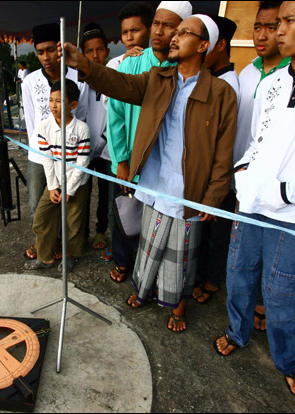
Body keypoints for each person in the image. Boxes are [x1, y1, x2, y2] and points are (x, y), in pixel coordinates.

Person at [62, 14, 237, 332]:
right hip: (154, 182)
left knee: (180, 254)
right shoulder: (159, 78)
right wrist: (85, 66)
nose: (174, 37)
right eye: (175, 31)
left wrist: (214, 195)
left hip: (188, 190)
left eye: (184, 32)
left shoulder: (221, 92)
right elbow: (121, 85)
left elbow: (224, 151)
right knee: (150, 245)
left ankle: (178, 305)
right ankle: (143, 291)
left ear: (203, 45)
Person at [214, 1, 295, 399]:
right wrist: (243, 176)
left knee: (282, 291)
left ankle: (287, 360)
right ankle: (237, 331)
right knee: (239, 272)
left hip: (293, 210)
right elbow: (257, 140)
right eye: (276, 22)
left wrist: (287, 192)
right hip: (250, 203)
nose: (278, 30)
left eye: (288, 21)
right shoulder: (272, 83)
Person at [106, 1, 191, 283]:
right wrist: (121, 159)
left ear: (181, 32)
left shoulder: (185, 69)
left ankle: (150, 277)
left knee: (159, 223)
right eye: (156, 23)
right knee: (125, 214)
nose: (159, 31)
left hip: (166, 166)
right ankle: (122, 262)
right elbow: (115, 114)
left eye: (168, 26)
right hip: (130, 161)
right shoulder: (131, 63)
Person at [230, 1, 291, 330]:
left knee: (273, 253)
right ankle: (242, 307)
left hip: (275, 186)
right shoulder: (248, 72)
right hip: (241, 175)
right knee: (242, 249)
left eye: (272, 26)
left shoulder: (293, 74)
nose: (263, 35)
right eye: (258, 27)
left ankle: (264, 303)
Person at [21, 22, 88, 260]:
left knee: (70, 205)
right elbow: (31, 121)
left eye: (51, 50)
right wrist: (40, 150)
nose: (46, 57)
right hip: (39, 155)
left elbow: (82, 115)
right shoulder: (29, 82)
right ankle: (43, 245)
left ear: (60, 49)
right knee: (37, 204)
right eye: (40, 52)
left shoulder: (78, 77)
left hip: (70, 155)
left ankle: (63, 247)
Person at [191, 15, 239, 305]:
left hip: (222, 178)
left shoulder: (228, 85)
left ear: (219, 45)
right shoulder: (208, 79)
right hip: (205, 175)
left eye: (204, 43)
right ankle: (201, 276)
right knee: (204, 231)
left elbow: (224, 141)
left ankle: (211, 280)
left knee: (217, 234)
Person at [24, 80, 90, 273]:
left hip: (77, 183)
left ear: (73, 104)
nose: (53, 105)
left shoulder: (81, 129)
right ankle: (45, 257)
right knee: (41, 218)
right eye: (51, 100)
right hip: (56, 182)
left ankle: (71, 255)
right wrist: (52, 187)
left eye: (59, 101)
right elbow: (47, 159)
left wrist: (70, 190)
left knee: (74, 222)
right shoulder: (44, 127)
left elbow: (82, 163)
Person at [80, 22, 111, 251]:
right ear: (83, 54)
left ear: (107, 52)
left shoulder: (114, 77)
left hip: (108, 149)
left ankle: (101, 230)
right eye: (89, 51)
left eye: (99, 49)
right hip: (83, 148)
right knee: (82, 192)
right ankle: (82, 233)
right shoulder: (78, 80)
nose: (95, 55)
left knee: (106, 194)